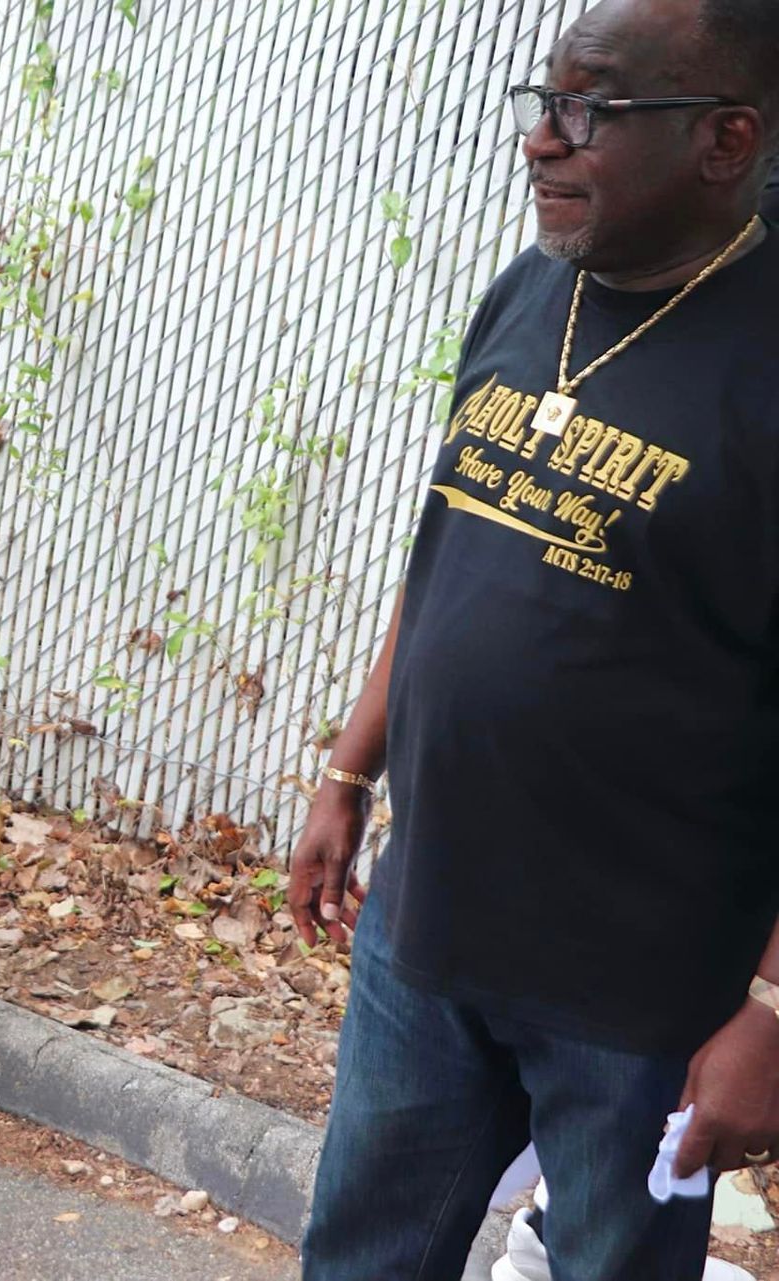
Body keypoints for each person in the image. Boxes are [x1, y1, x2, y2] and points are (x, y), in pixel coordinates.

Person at [289, 0, 779, 1276]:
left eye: (589, 111)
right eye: (541, 104)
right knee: (360, 1254)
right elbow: (449, 547)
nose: (540, 144)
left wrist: (773, 1011)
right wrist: (353, 766)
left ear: (726, 138)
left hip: (640, 997)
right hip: (428, 926)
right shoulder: (528, 292)